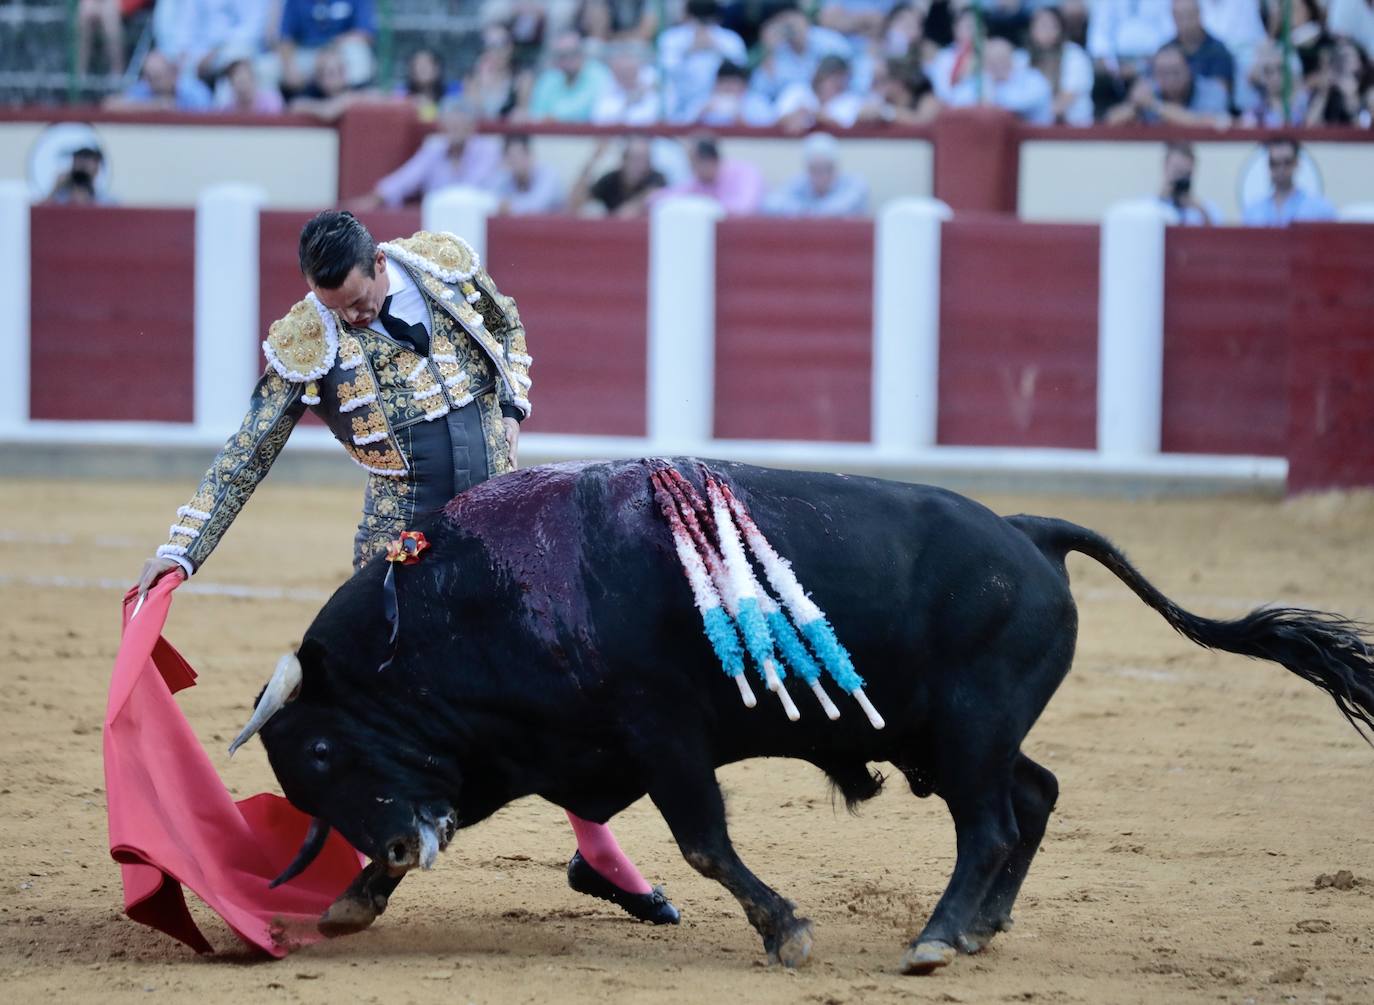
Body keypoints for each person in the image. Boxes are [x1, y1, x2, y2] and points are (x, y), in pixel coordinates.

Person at [135, 210, 680, 930]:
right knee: (394, 722)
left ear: (378, 265)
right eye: (337, 309)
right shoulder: (310, 335)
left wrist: (513, 402)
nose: (353, 318)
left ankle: (599, 854)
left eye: (359, 301)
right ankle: (357, 859)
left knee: (560, 692)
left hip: (502, 534)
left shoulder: (442, 265)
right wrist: (182, 548)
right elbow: (248, 450)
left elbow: (508, 329)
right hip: (404, 553)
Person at [350, 103, 503, 212]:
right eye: (450, 126)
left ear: (471, 127)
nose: (454, 131)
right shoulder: (435, 148)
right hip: (439, 219)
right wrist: (377, 197)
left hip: (477, 218)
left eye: (460, 125)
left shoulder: (487, 149)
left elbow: (469, 189)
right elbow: (408, 176)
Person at [658, 0, 749, 121]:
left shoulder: (730, 39)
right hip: (681, 102)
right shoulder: (672, 38)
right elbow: (665, 73)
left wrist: (717, 48)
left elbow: (740, 73)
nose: (702, 24)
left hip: (719, 102)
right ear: (688, 16)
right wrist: (689, 51)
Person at [1104, 41, 1230, 124]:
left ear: (1189, 70)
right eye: (1163, 73)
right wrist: (1135, 105)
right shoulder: (1150, 91)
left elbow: (1202, 124)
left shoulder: (1213, 91)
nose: (1170, 79)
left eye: (1175, 72)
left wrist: (1154, 105)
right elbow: (1110, 121)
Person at [272, 0, 376, 96]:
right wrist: (289, 66)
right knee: (267, 69)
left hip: (340, 50)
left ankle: (356, 101)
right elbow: (285, 38)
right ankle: (273, 108)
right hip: (309, 54)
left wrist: (331, 50)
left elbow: (365, 33)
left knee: (359, 54)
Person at [946, 37, 1055, 124]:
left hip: (1036, 144)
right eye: (991, 61)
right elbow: (957, 101)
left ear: (1011, 60)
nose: (996, 66)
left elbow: (1019, 104)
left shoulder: (1033, 79)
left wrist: (989, 94)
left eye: (1001, 59)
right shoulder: (982, 79)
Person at [762, 131, 869, 216]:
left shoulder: (853, 184)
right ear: (807, 169)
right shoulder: (801, 182)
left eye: (826, 169)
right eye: (815, 169)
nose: (821, 175)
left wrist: (806, 212)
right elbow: (771, 204)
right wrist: (807, 212)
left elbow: (840, 209)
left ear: (836, 168)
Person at [654, 135, 765, 216]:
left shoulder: (746, 173)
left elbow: (745, 208)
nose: (691, 169)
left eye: (693, 163)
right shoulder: (698, 182)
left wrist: (707, 207)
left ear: (708, 160)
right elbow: (664, 197)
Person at [1241, 137, 1336, 225]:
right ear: (1268, 166)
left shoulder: (1320, 210)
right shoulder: (1253, 212)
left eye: (1287, 162)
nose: (1281, 169)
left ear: (1296, 163)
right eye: (1274, 163)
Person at [569, 135, 667, 217]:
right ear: (624, 160)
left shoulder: (657, 178)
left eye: (645, 159)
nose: (640, 165)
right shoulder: (610, 179)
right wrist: (594, 159)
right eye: (635, 158)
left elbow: (627, 214)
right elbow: (574, 204)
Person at [1028, 6, 1094, 125]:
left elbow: (1067, 98)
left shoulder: (1074, 55)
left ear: (1060, 29)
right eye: (1040, 25)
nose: (1045, 31)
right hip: (1037, 126)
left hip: (1073, 128)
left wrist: (1036, 118)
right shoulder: (1024, 58)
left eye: (1050, 26)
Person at [526, 30, 613, 122]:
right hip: (549, 135)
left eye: (573, 53)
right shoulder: (549, 78)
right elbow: (535, 113)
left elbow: (588, 109)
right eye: (562, 56)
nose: (568, 60)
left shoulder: (598, 73)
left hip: (586, 134)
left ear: (582, 54)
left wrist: (553, 118)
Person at [1168, 0, 1236, 101]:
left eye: (1189, 15)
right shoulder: (1166, 52)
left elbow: (1219, 96)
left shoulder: (1218, 51)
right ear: (1173, 18)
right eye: (1180, 17)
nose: (1185, 22)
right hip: (1168, 110)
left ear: (1199, 14)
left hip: (1208, 113)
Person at [103, 48, 213, 111]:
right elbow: (110, 105)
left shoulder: (194, 91)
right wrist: (155, 106)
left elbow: (210, 115)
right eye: (150, 77)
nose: (153, 83)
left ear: (173, 73)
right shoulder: (146, 87)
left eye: (158, 77)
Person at [488, 134, 565, 215]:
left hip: (551, 225)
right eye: (511, 157)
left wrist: (508, 206)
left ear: (529, 155)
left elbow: (537, 206)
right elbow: (491, 200)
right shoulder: (505, 176)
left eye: (518, 156)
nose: (515, 162)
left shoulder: (548, 175)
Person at [1155, 140, 1221, 224]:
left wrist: (1202, 213)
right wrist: (1162, 200)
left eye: (1187, 174)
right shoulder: (1148, 208)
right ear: (1165, 167)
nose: (1181, 178)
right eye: (1177, 172)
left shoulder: (1207, 210)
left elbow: (1217, 235)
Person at [44, 147, 111, 205]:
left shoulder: (107, 202)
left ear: (97, 168)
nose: (81, 168)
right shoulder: (59, 200)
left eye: (86, 165)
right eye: (78, 162)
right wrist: (55, 189)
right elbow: (38, 215)